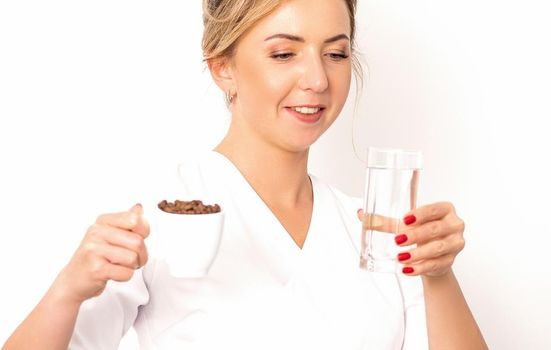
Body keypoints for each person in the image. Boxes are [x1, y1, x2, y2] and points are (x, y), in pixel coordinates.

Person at [2, 0, 487, 349]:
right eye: (284, 53)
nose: (318, 79)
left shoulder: (377, 233)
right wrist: (67, 291)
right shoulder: (156, 218)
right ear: (222, 67)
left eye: (336, 53)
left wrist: (438, 275)